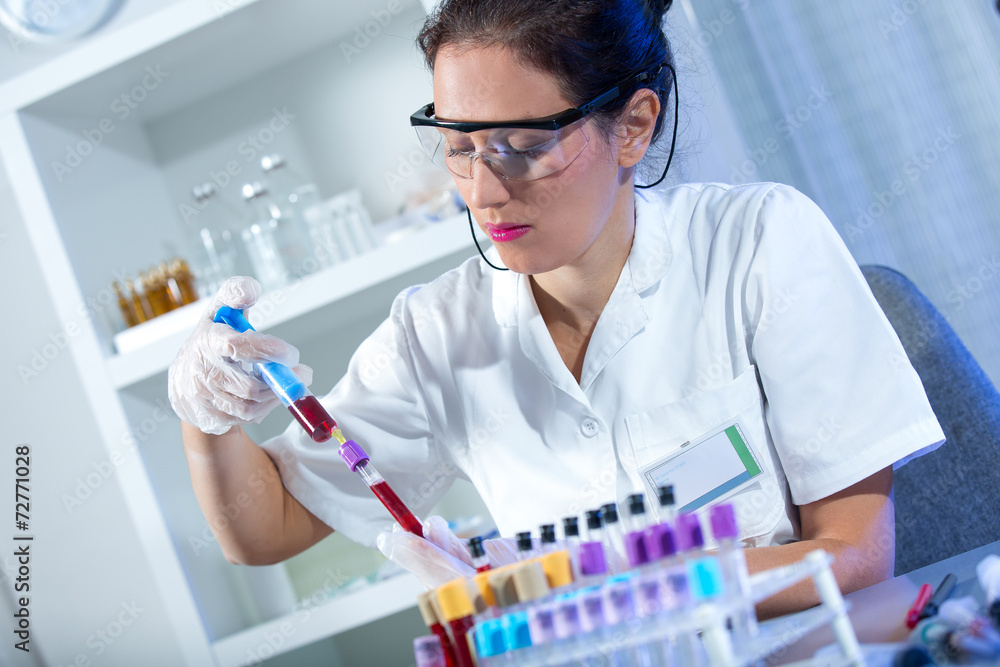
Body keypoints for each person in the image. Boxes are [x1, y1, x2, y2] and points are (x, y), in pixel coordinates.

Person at [168, 0, 944, 619]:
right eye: (460, 146)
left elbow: (853, 556)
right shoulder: (436, 334)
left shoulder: (758, 242)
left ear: (634, 125)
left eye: (522, 145)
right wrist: (207, 416)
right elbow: (262, 529)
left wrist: (591, 593)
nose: (483, 191)